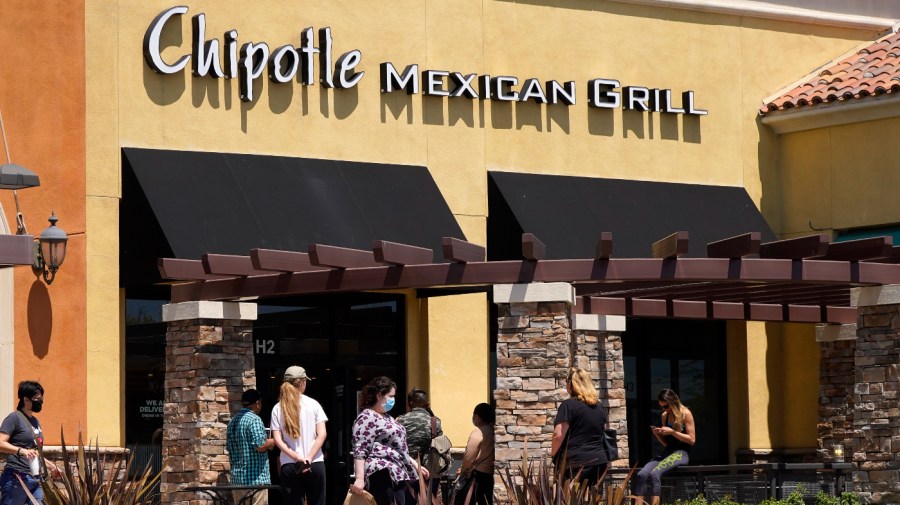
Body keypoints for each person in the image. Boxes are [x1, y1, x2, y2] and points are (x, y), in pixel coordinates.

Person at [349, 376, 428, 505]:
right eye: (390, 396)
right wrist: (359, 478)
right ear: (379, 395)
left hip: (398, 472)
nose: (393, 400)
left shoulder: (388, 418)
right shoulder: (366, 417)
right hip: (381, 472)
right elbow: (360, 449)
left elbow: (399, 448)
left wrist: (415, 465)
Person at [271, 366, 328, 505]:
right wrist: (308, 457)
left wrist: (296, 457)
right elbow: (322, 434)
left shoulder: (278, 408)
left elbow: (277, 439)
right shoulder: (314, 404)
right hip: (314, 462)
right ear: (302, 382)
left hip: (290, 463)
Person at [634, 389, 696, 505]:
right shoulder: (665, 416)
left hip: (681, 453)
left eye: (666, 406)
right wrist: (657, 435)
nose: (664, 409)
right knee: (641, 474)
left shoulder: (685, 414)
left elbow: (692, 440)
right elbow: (667, 444)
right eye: (661, 407)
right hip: (667, 452)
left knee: (654, 473)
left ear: (673, 402)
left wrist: (672, 432)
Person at [550, 368, 609, 486]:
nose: (566, 384)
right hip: (599, 461)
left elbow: (558, 435)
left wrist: (553, 455)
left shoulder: (568, 405)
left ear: (572, 384)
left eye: (567, 381)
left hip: (576, 463)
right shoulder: (598, 406)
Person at [0, 381, 49, 505]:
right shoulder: (14, 418)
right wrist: (21, 451)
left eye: (41, 398)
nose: (40, 401)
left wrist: (51, 466)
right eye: (37, 398)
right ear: (26, 400)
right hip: (16, 479)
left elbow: (34, 452)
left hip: (35, 478)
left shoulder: (35, 421)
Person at [227, 389, 276, 505]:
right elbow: (260, 445)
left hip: (237, 481)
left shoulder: (232, 422)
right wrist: (273, 441)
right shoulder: (254, 419)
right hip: (255, 480)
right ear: (257, 403)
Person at [397, 388, 443, 501]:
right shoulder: (435, 422)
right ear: (427, 404)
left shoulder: (400, 420)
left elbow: (395, 445)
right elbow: (442, 447)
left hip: (407, 471)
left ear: (409, 403)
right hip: (430, 473)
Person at [457, 403, 495, 505]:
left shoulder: (478, 432)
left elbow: (469, 456)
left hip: (477, 475)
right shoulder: (494, 430)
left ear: (477, 416)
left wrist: (464, 470)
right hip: (490, 474)